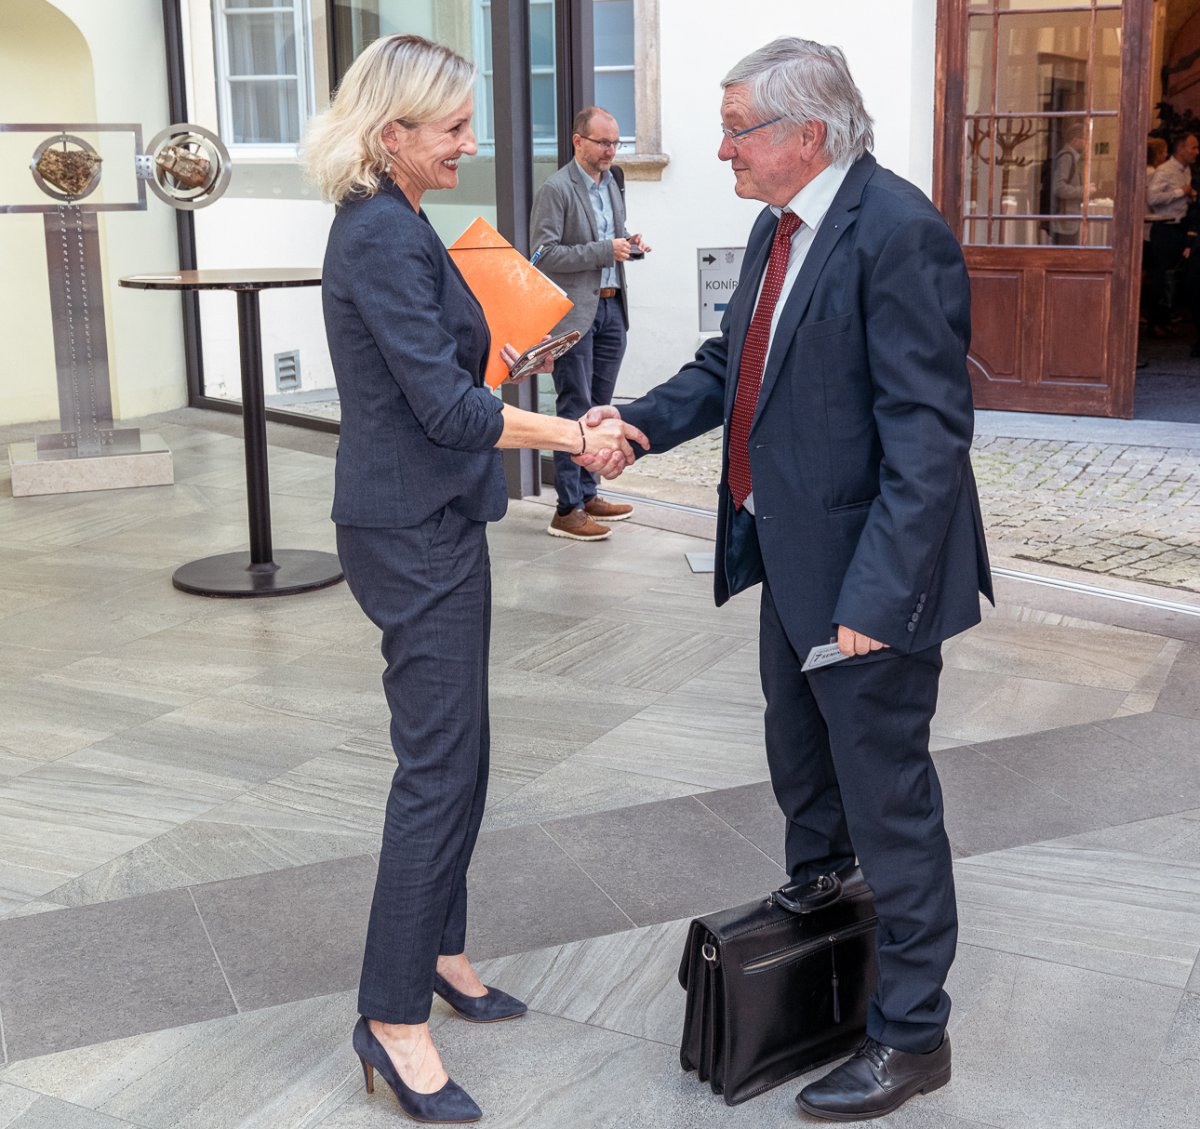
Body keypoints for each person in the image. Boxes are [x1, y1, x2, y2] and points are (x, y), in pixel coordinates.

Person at [581, 37, 992, 1122]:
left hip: (870, 584)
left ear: (806, 133)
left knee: (890, 805)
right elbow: (736, 364)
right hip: (792, 556)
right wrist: (636, 422)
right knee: (802, 764)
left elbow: (928, 441)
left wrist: (877, 604)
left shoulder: (897, 231)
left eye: (736, 131)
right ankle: (823, 907)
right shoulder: (779, 226)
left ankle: (913, 1034)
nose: (720, 150)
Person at [303, 35, 646, 1124]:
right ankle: (391, 1015)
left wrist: (509, 358)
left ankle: (443, 952)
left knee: (466, 755)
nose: (468, 142)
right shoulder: (380, 232)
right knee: (437, 771)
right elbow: (448, 414)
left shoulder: (402, 218)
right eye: (451, 127)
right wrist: (577, 434)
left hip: (435, 514)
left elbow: (444, 372)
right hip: (410, 530)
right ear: (392, 133)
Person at [529, 106, 652, 542]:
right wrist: (605, 250)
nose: (610, 151)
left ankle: (588, 493)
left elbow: (611, 238)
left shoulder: (612, 182)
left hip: (612, 308)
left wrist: (630, 244)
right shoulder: (556, 189)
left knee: (599, 409)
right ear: (578, 141)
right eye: (603, 143)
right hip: (575, 315)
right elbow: (542, 255)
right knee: (574, 409)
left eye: (615, 143)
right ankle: (566, 509)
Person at [1145, 132, 1199, 337]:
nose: (1197, 152)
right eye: (1193, 147)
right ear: (1181, 149)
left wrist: (1190, 197)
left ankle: (1165, 319)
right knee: (1160, 276)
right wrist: (1180, 193)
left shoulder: (1186, 170)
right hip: (1165, 229)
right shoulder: (1165, 171)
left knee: (1174, 277)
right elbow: (1153, 198)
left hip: (1180, 227)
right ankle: (1153, 323)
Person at [1048, 123, 1087, 245]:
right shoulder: (1066, 157)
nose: (1086, 143)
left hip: (1067, 221)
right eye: (1085, 139)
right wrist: (1083, 190)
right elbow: (1059, 188)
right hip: (1065, 223)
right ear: (1075, 140)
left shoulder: (1071, 158)